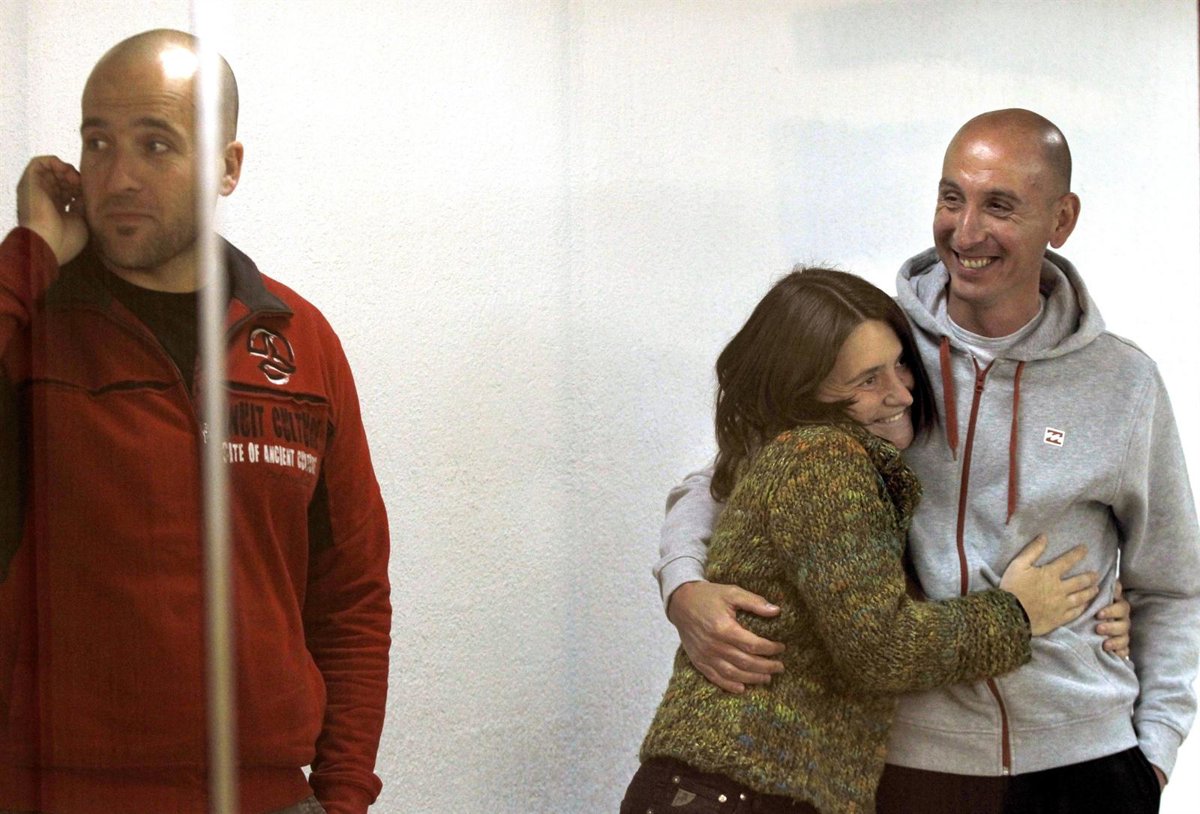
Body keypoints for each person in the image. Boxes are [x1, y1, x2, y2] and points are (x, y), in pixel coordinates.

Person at [656, 109, 1200, 813]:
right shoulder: (876, 344)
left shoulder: (1123, 383)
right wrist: (683, 588)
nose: (965, 232)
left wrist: (1155, 751)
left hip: (1085, 760)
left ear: (1061, 220)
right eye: (952, 198)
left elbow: (1173, 585)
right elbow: (731, 478)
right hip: (903, 765)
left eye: (999, 206)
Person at [0, 30, 391, 814]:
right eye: (97, 142)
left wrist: (343, 796)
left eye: (155, 145)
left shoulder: (300, 342)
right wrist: (29, 252)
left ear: (227, 167)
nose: (118, 177)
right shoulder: (30, 329)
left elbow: (351, 595)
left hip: (268, 796)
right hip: (59, 793)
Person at [622, 267, 1101, 814]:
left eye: (901, 364)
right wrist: (1018, 614)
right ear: (804, 389)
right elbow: (882, 649)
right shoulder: (824, 460)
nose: (901, 392)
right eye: (867, 380)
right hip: (737, 794)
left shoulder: (805, 455)